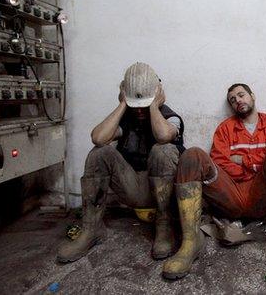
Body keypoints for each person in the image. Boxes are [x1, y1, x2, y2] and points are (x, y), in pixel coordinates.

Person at [161, 83, 266, 282]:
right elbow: (220, 161)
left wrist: (242, 159)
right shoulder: (225, 129)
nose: (238, 100)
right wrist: (257, 163)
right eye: (233, 99)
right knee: (192, 155)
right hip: (229, 194)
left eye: (241, 95)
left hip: (261, 195)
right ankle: (190, 242)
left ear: (252, 96)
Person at [57, 62, 185, 262]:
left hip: (162, 194)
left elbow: (163, 135)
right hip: (132, 187)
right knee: (99, 152)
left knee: (164, 149)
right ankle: (92, 229)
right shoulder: (127, 119)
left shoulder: (171, 117)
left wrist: (153, 106)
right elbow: (98, 138)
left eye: (144, 105)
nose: (140, 110)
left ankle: (164, 226)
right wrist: (123, 104)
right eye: (137, 105)